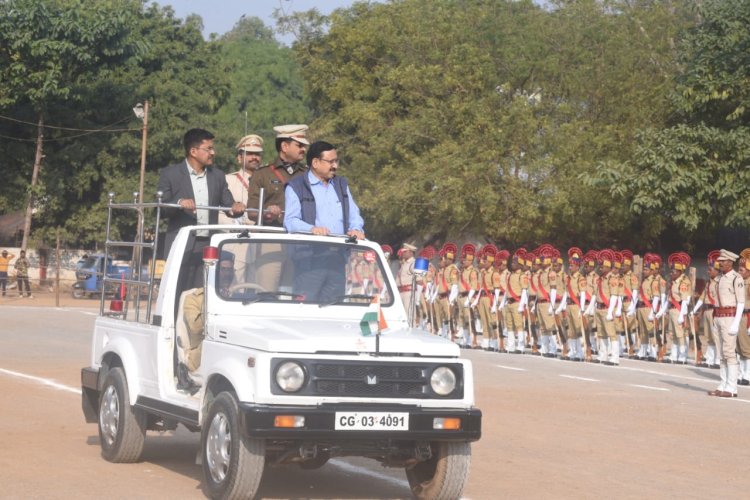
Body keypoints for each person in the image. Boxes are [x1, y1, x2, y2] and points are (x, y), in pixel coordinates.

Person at [157, 128, 244, 289]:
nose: (213, 152)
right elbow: (161, 210)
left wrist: (236, 207)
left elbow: (228, 204)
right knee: (176, 290)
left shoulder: (217, 176)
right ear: (193, 151)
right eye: (208, 148)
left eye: (213, 148)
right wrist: (180, 202)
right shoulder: (170, 174)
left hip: (207, 245)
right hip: (181, 243)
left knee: (203, 292)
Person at [284, 141, 365, 239]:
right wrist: (312, 229)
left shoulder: (341, 184)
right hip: (310, 251)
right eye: (331, 162)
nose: (335, 166)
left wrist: (356, 229)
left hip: (341, 250)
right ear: (315, 163)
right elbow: (290, 221)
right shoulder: (296, 186)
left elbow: (354, 214)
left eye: (336, 161)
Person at [247, 124, 309, 226]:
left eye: (304, 146)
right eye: (299, 145)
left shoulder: (308, 174)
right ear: (284, 146)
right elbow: (251, 211)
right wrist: (267, 212)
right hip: (272, 236)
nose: (304, 149)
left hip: (300, 235)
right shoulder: (262, 174)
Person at [708, 249, 745, 398]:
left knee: (729, 353)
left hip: (729, 317)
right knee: (721, 353)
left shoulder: (737, 278)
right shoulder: (719, 278)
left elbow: (741, 302)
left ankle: (732, 387)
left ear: (730, 262)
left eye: (722, 261)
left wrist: (736, 323)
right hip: (717, 316)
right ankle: (722, 384)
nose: (720, 263)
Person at [218, 134, 263, 225]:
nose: (254, 157)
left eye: (257, 154)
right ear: (239, 158)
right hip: (236, 235)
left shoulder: (266, 181)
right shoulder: (227, 180)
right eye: (249, 153)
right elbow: (220, 214)